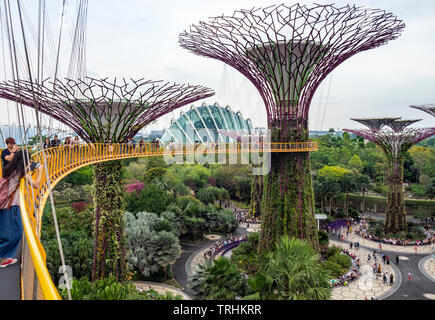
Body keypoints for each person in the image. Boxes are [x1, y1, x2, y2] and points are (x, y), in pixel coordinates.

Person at [0, 149, 42, 268]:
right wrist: (40, 171)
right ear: (25, 161)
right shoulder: (21, 172)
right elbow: (36, 185)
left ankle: (4, 259)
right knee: (17, 232)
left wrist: (29, 167)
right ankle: (3, 257)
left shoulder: (9, 169)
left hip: (3, 204)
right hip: (11, 206)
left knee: (4, 233)